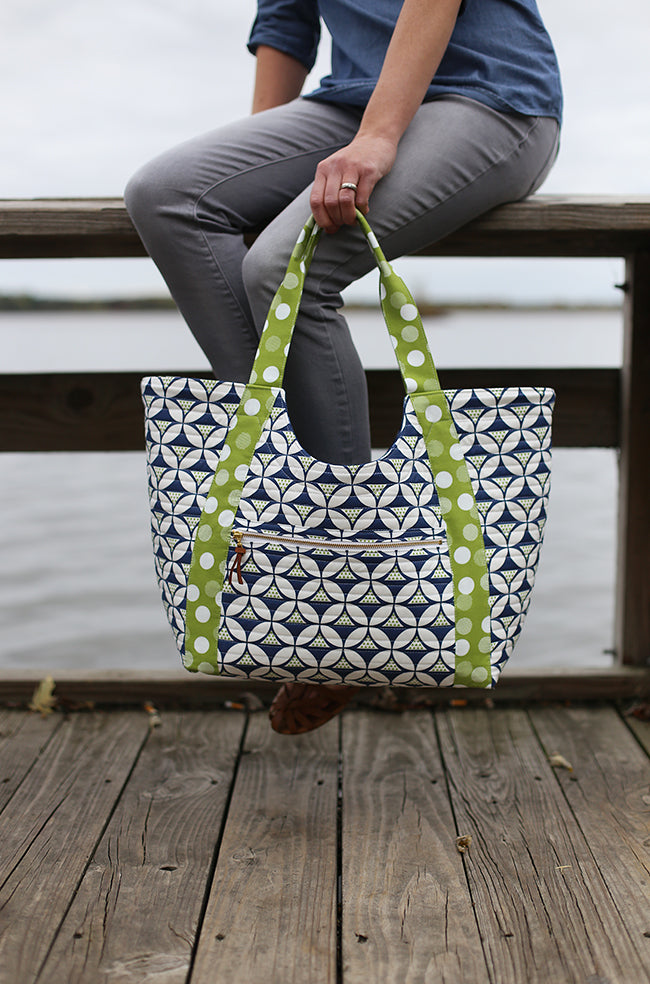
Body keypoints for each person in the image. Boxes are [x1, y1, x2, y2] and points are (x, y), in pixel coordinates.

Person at [125, 0, 562, 735]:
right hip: (349, 99)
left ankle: (349, 574)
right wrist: (265, 158)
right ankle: (287, 499)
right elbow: (286, 22)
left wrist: (382, 136)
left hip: (488, 96)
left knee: (281, 269)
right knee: (165, 195)